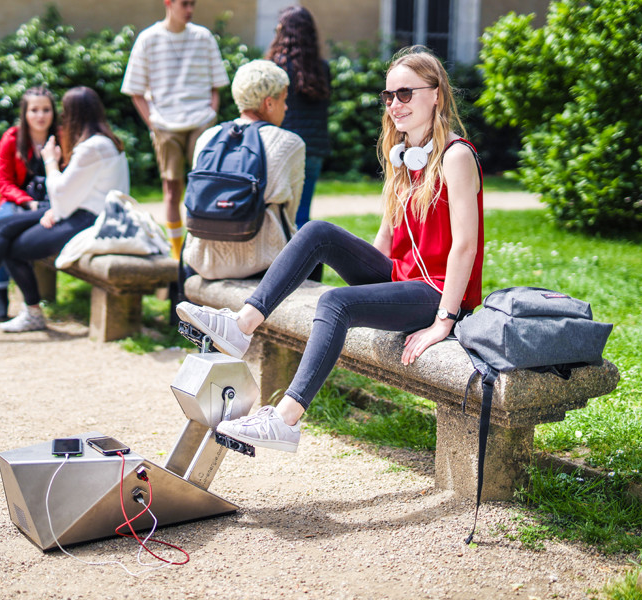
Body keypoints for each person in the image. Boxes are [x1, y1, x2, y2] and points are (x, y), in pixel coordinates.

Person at [176, 47, 484, 453]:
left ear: (437, 95)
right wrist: (369, 274)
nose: (395, 104)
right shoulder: (404, 156)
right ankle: (241, 326)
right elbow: (388, 234)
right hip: (403, 277)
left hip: (439, 293)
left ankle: (286, 419)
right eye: (388, 96)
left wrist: (444, 320)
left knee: (336, 303)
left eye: (406, 94)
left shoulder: (456, 156)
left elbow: (466, 245)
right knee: (317, 231)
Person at [0, 87, 130, 333]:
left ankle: (20, 308)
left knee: (14, 248)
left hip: (90, 218)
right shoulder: (103, 142)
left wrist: (50, 162)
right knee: (6, 224)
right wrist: (56, 208)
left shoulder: (91, 147)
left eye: (64, 111)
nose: (62, 116)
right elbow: (71, 194)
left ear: (75, 113)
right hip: (83, 212)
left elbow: (62, 192)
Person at [121, 0, 230, 260]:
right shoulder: (149, 38)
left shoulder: (203, 37)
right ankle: (177, 252)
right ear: (168, 3)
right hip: (165, 125)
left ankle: (203, 249)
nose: (190, 9)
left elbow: (217, 84)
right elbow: (135, 90)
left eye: (193, 4)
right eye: (184, 3)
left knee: (204, 187)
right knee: (172, 190)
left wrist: (211, 115)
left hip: (201, 122)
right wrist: (153, 123)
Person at [182, 59, 305, 280]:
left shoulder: (207, 137)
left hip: (202, 261)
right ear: (269, 103)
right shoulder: (290, 143)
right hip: (262, 265)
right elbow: (291, 212)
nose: (286, 108)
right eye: (284, 100)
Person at [0, 86, 58, 322]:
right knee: (2, 223)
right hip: (18, 198)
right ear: (25, 113)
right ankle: (1, 291)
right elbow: (3, 181)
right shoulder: (12, 138)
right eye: (34, 110)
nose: (41, 116)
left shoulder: (61, 138)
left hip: (51, 203)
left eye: (46, 109)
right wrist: (26, 202)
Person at [265, 6, 331, 230]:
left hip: (280, 146)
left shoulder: (275, 69)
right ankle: (307, 264)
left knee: (276, 214)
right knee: (302, 215)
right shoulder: (322, 69)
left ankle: (280, 265)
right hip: (313, 148)